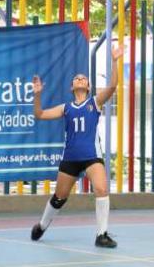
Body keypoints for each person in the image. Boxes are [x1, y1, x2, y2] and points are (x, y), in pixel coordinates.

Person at [30, 45, 124, 248]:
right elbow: (39, 114)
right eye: (76, 78)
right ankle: (42, 225)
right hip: (71, 158)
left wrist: (115, 61)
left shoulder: (95, 102)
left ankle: (101, 235)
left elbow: (113, 86)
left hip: (91, 156)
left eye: (84, 78)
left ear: (89, 87)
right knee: (59, 197)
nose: (80, 79)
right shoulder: (66, 108)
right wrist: (37, 95)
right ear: (72, 87)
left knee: (101, 188)